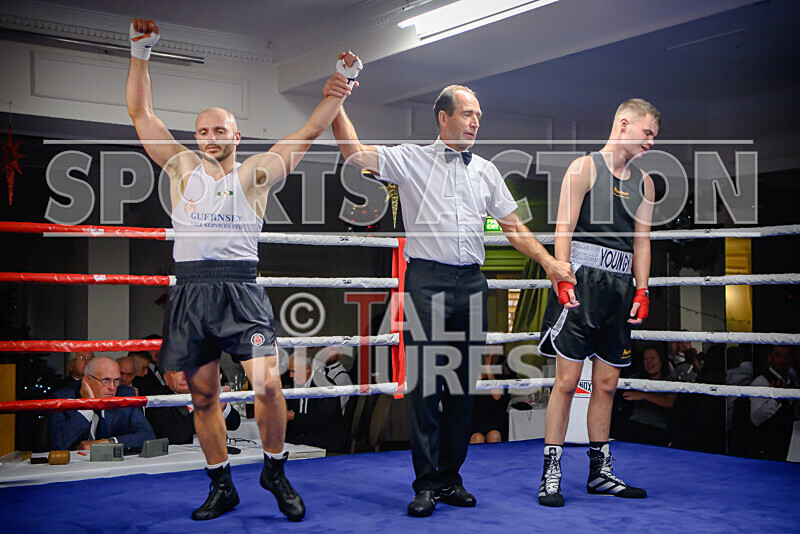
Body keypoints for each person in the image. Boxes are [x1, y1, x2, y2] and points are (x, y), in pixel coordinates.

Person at [126, 18, 360, 521]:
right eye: (203, 131)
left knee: (269, 384)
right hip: (191, 294)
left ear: (236, 134)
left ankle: (275, 468)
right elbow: (141, 112)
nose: (210, 138)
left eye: (219, 130)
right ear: (197, 137)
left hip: (241, 292)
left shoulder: (256, 173)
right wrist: (140, 52)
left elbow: (309, 130)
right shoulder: (180, 168)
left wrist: (342, 86)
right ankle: (221, 485)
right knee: (204, 394)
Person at [328, 84, 576, 517]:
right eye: (466, 113)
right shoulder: (411, 158)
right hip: (426, 280)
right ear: (443, 118)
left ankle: (450, 478)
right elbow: (354, 152)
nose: (475, 121)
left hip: (472, 283)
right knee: (426, 386)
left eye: (478, 114)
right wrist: (337, 101)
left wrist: (553, 264)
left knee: (462, 388)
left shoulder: (485, 169)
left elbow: (514, 227)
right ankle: (425, 484)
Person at [537, 98, 658, 506]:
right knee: (567, 382)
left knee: (607, 384)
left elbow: (641, 241)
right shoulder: (585, 167)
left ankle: (600, 471)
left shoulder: (645, 182)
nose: (650, 143)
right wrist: (561, 274)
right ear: (624, 124)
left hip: (620, 286)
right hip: (582, 282)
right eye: (647, 133)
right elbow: (564, 226)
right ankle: (551, 471)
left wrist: (643, 288)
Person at [49, 357, 156, 450]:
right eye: (106, 380)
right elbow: (58, 444)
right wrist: (87, 407)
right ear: (88, 380)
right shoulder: (63, 399)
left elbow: (148, 435)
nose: (112, 388)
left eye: (116, 380)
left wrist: (108, 443)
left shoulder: (124, 395)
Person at [146, 371, 241, 445]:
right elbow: (172, 436)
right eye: (177, 372)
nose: (185, 377)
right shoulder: (158, 399)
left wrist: (223, 405)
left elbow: (234, 423)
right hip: (182, 460)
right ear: (166, 378)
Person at [285, 353, 346, 452]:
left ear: (307, 369)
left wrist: (292, 416)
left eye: (294, 371)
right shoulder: (294, 383)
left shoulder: (326, 384)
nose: (291, 375)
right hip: (299, 440)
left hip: (323, 442)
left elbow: (320, 419)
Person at [615, 347, 675, 446]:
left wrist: (644, 396)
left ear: (661, 360)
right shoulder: (639, 379)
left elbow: (670, 402)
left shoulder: (669, 380)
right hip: (634, 423)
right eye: (645, 359)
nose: (649, 362)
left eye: (652, 358)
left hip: (656, 428)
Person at [749, 345, 798, 460]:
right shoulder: (761, 381)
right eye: (778, 355)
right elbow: (756, 418)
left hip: (791, 448)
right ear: (770, 357)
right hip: (769, 451)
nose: (783, 361)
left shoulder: (793, 381)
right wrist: (776, 400)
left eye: (788, 356)